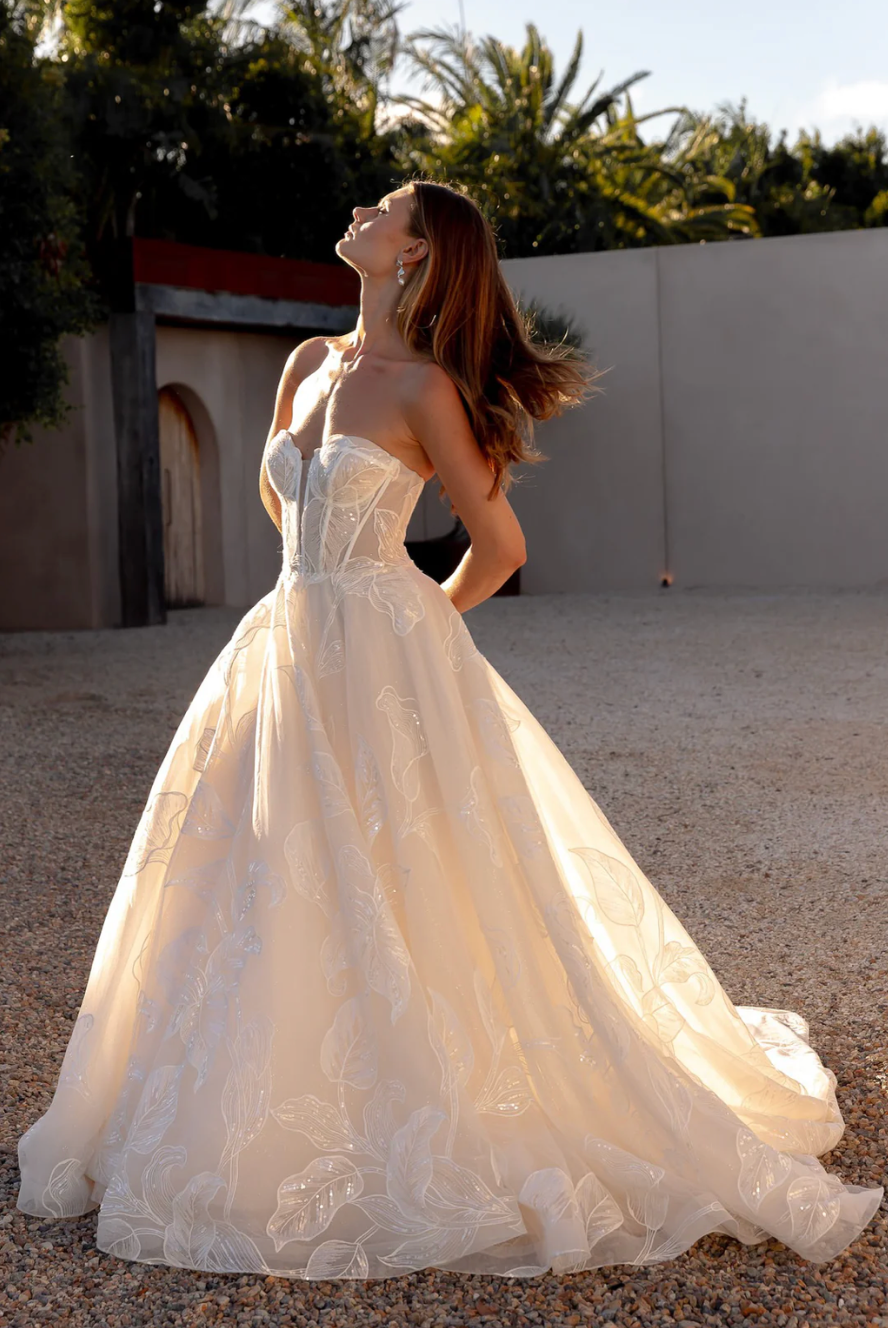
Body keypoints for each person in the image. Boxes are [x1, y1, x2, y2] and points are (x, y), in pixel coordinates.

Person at [16, 178, 883, 1279]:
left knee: (407, 870)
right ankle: (262, 1091)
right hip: (282, 645)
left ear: (417, 255)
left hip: (380, 658)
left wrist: (413, 624)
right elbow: (288, 512)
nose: (361, 213)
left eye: (384, 209)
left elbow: (500, 542)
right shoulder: (304, 365)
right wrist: (329, 592)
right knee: (253, 866)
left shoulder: (425, 389)